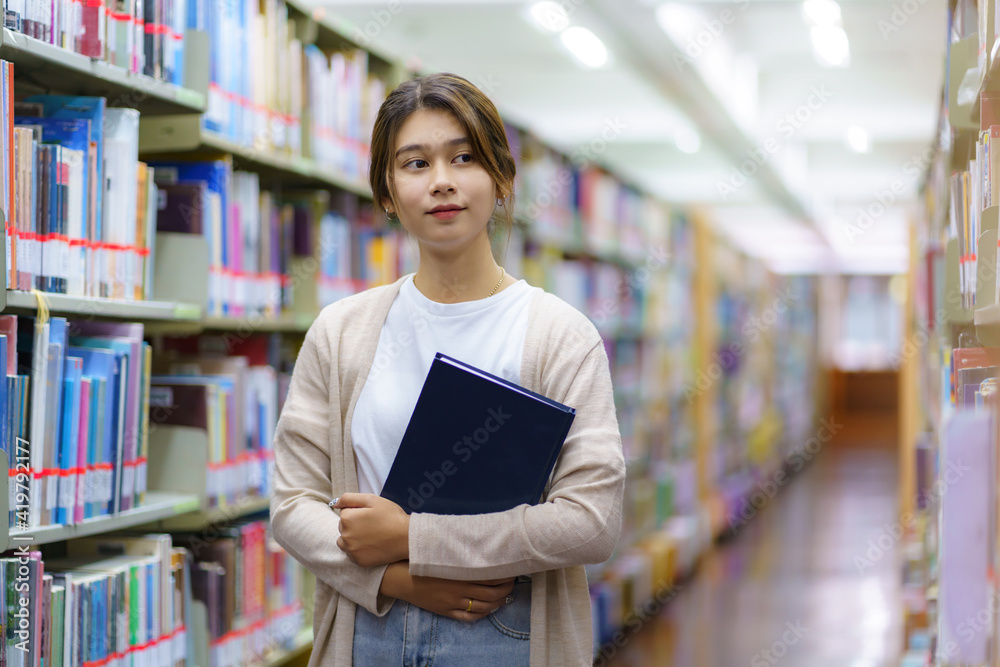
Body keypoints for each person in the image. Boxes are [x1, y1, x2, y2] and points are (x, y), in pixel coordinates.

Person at [270, 72, 626, 667]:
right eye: (414, 164)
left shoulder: (562, 336)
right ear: (387, 192)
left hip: (510, 631)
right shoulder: (340, 332)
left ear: (501, 177)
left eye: (464, 158)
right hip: (368, 631)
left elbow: (590, 522)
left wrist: (413, 539)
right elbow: (292, 505)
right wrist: (399, 578)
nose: (441, 182)